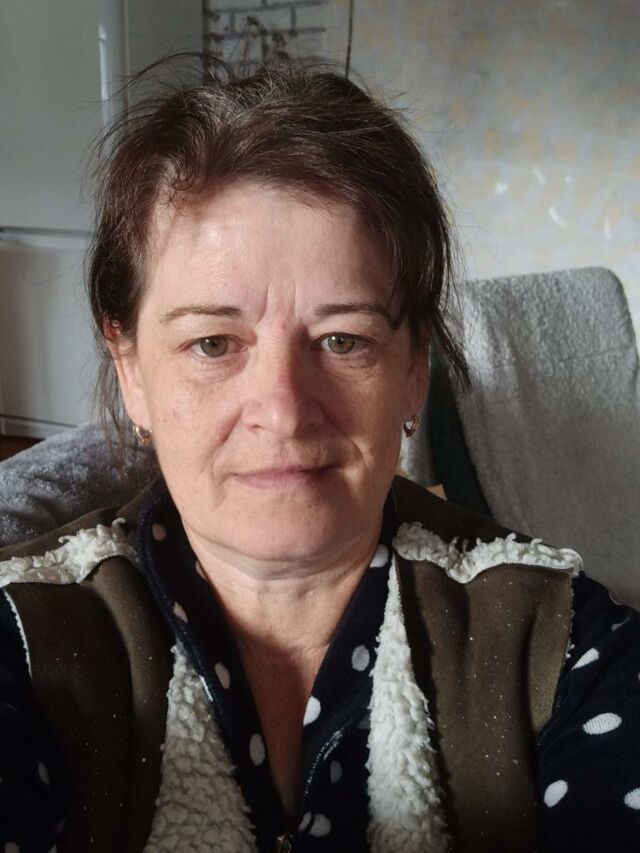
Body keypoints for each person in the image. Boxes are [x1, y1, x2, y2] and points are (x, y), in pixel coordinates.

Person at [0, 59, 639, 853]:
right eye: (213, 343)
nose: (283, 408)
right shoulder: (25, 635)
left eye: (343, 340)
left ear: (414, 369)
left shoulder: (559, 640)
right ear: (130, 368)